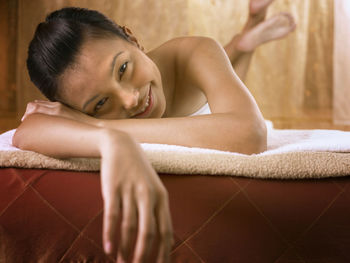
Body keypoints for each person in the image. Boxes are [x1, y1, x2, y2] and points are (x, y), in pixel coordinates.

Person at [13, 0, 296, 262]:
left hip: (210, 95)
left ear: (132, 38)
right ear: (73, 107)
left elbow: (248, 132)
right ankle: (244, 42)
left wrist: (100, 124)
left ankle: (242, 41)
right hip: (210, 113)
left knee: (225, 75)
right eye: (100, 103)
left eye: (123, 68)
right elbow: (27, 132)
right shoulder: (92, 107)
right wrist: (111, 141)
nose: (129, 100)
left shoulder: (192, 51)